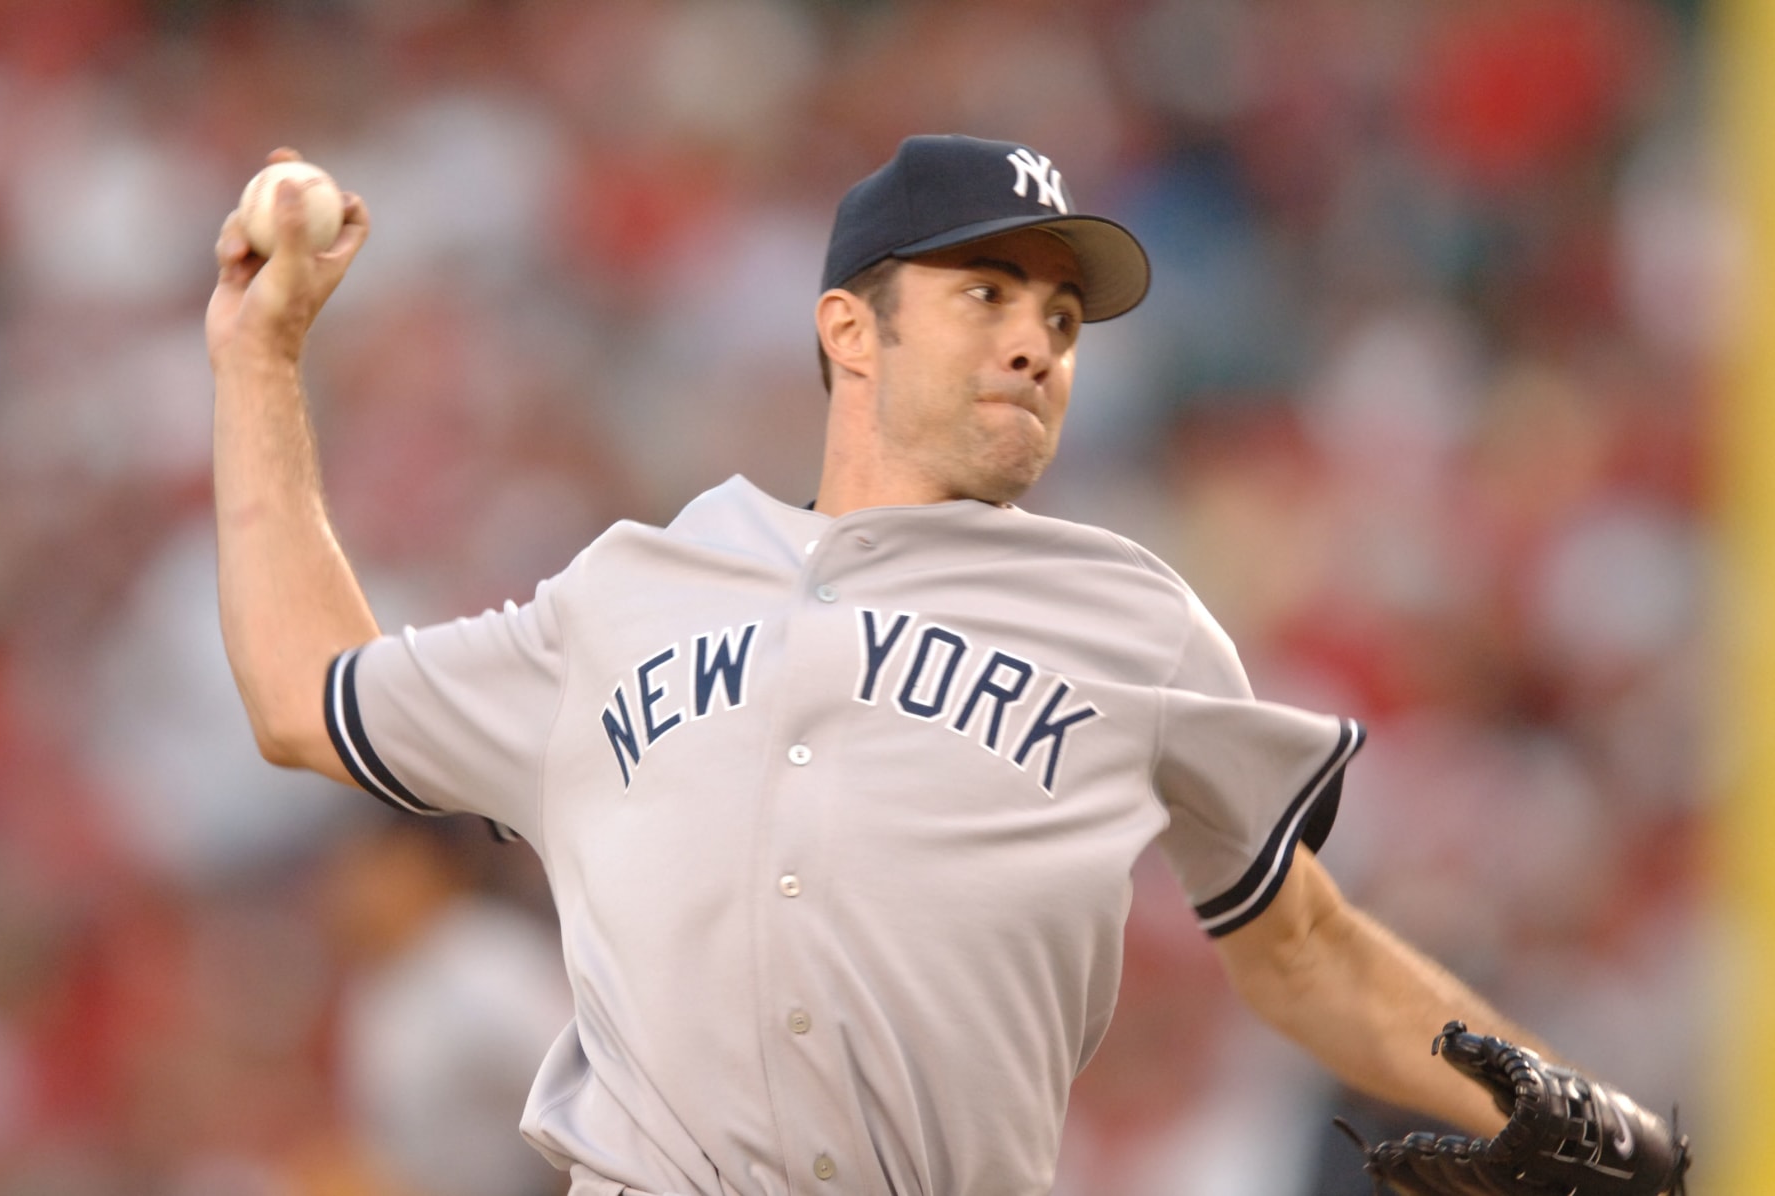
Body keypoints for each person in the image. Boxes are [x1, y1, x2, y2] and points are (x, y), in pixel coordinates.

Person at [207, 136, 1683, 1195]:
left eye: (1060, 317)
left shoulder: (1136, 621)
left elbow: (1305, 950)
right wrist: (257, 364)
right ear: (850, 327)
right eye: (989, 294)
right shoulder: (625, 596)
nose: (1040, 341)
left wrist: (1579, 1106)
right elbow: (304, 694)